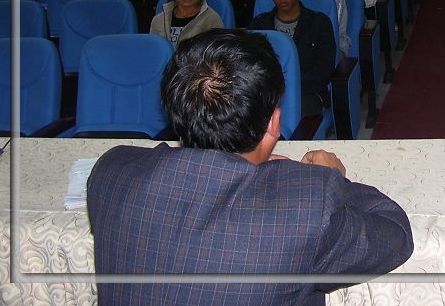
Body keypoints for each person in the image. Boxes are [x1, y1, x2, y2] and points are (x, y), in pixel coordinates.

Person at [87, 28, 413, 306]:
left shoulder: (111, 172)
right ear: (274, 123)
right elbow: (395, 234)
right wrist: (335, 178)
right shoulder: (308, 208)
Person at [249, 0, 336, 117]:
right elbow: (253, 67)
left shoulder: (319, 23)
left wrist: (287, 88)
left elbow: (324, 70)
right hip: (269, 95)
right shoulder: (259, 25)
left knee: (295, 111)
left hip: (307, 93)